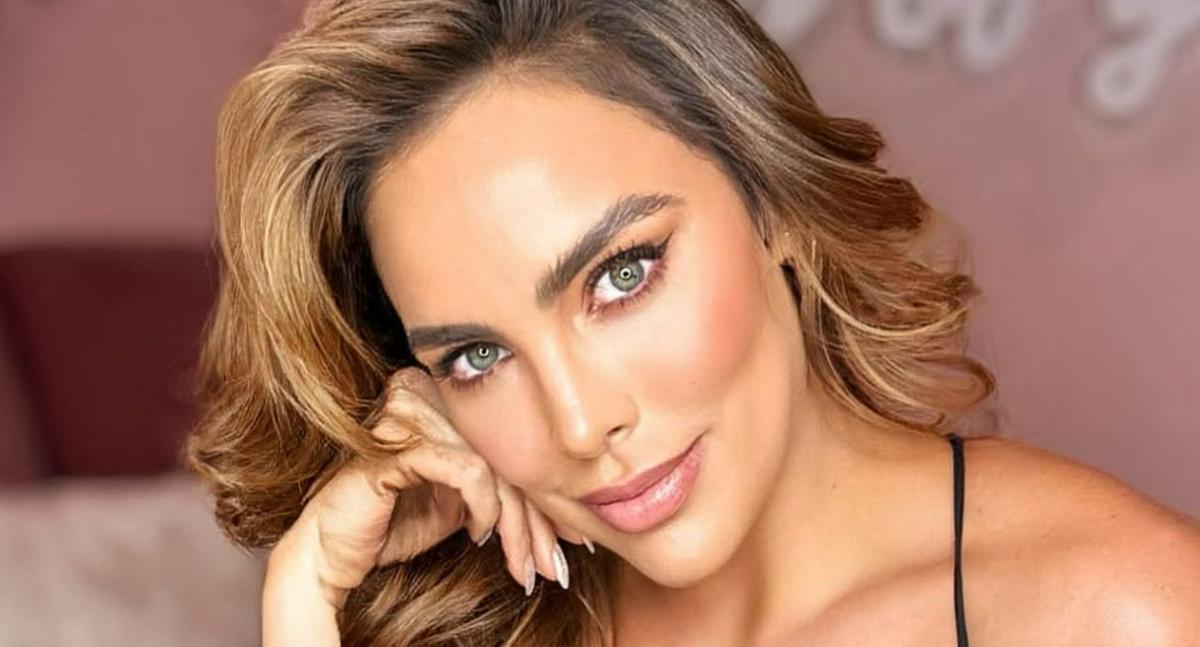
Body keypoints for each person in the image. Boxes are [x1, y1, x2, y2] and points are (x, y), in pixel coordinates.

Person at [183, 0, 1200, 644]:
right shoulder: (486, 625)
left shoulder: (1117, 609)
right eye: (479, 354)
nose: (579, 424)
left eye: (621, 275)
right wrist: (303, 599)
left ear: (778, 204)